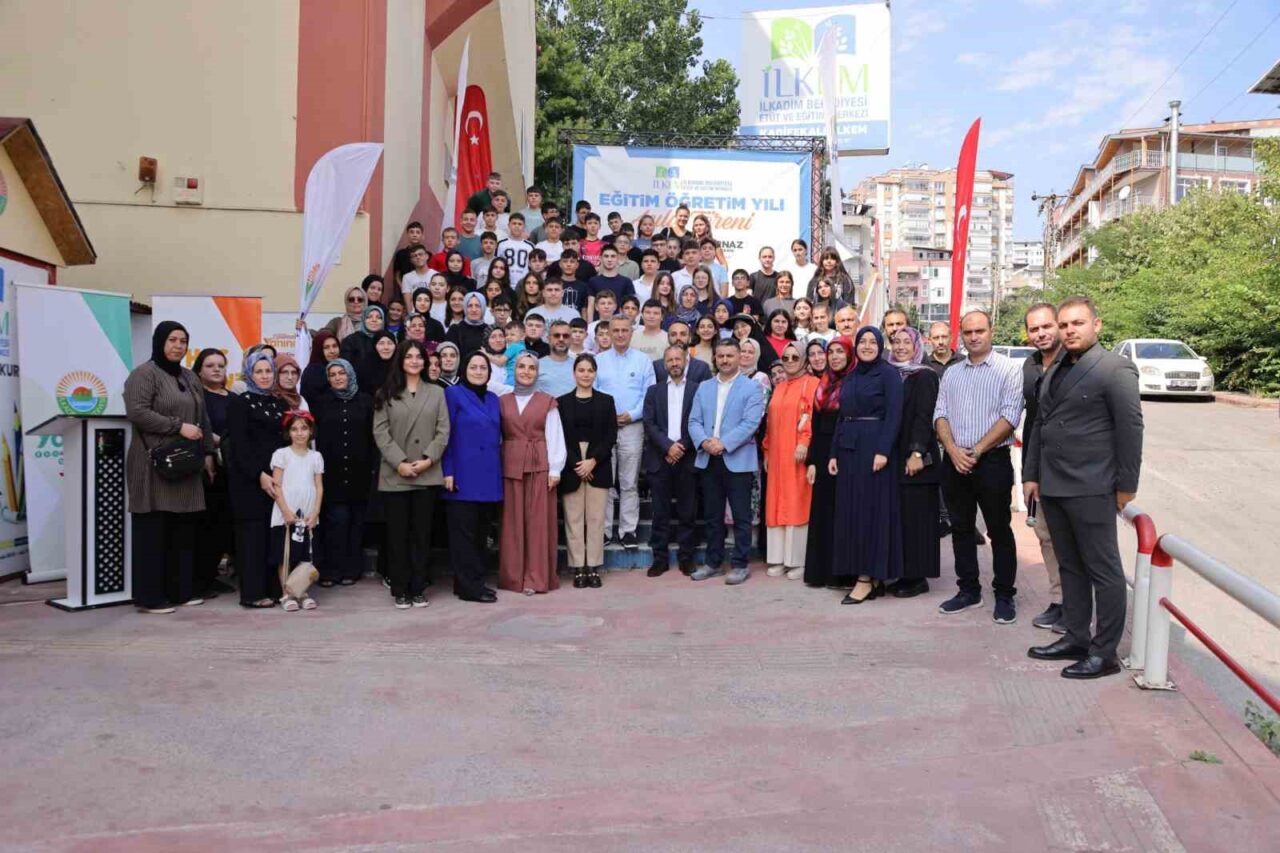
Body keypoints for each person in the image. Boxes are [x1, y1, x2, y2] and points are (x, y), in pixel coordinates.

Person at [1025, 296, 1143, 679]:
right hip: (1054, 485)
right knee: (1071, 567)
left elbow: (1130, 430)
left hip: (1092, 485)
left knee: (1103, 571)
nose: (1069, 330)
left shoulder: (1114, 368)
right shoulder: (1056, 366)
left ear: (1098, 325)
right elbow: (1040, 424)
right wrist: (1032, 474)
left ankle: (1104, 651)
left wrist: (1126, 486)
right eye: (1064, 324)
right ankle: (1075, 636)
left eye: (1077, 323)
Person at [933, 309, 1025, 624]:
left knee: (999, 529)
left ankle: (1004, 594)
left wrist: (976, 450)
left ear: (991, 331)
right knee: (961, 528)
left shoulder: (1009, 370)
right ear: (962, 334)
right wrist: (953, 450)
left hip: (992, 461)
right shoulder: (952, 373)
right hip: (955, 462)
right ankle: (968, 590)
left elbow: (1010, 415)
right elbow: (940, 414)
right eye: (968, 332)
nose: (974, 337)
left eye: (980, 331)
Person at [124, 322, 214, 613]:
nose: (178, 345)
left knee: (182, 530)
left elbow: (203, 416)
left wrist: (209, 453)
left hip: (185, 463)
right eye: (172, 340)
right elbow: (137, 412)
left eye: (183, 341)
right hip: (153, 464)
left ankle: (180, 592)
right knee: (154, 530)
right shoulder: (144, 374)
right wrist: (178, 427)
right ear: (159, 342)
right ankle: (151, 598)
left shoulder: (189, 377)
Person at [373, 340, 451, 609]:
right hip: (396, 475)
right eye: (410, 357)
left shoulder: (437, 393)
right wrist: (401, 462)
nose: (415, 361)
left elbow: (443, 430)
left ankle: (418, 588)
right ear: (401, 361)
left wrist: (428, 460)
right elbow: (380, 433)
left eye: (419, 357)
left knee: (422, 536)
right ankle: (400, 589)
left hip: (426, 474)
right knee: (397, 537)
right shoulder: (386, 393)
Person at [828, 328, 904, 604]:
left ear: (881, 346)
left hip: (874, 452)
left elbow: (895, 415)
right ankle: (867, 576)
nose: (868, 346)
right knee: (852, 513)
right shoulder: (851, 375)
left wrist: (883, 450)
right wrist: (834, 453)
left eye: (873, 342)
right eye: (863, 342)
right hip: (849, 451)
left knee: (870, 514)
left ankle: (866, 578)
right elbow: (842, 416)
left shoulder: (888, 374)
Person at [688, 338, 766, 585]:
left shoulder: (752, 388)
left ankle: (740, 564)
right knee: (712, 515)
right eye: (720, 356)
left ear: (739, 357)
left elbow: (751, 423)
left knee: (742, 516)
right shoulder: (704, 387)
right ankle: (713, 562)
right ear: (715, 358)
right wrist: (705, 442)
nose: (724, 360)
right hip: (709, 458)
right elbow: (694, 421)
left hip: (737, 459)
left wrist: (724, 443)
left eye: (730, 356)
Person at [498, 353, 566, 595]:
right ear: (513, 370)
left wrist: (555, 468)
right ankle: (513, 577)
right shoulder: (502, 401)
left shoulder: (547, 401)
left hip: (540, 466)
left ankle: (535, 578)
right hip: (511, 465)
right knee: (512, 524)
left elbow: (555, 435)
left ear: (537, 373)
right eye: (521, 367)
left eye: (531, 368)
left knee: (538, 524)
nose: (526, 372)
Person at [226, 351, 288, 608]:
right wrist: (259, 475)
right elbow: (239, 445)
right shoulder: (240, 402)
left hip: (277, 481)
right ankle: (252, 593)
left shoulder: (280, 404)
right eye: (259, 371)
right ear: (249, 374)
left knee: (272, 535)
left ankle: (274, 589)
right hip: (250, 481)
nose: (264, 376)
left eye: (268, 371)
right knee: (252, 538)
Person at [442, 352, 503, 603]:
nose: (478, 371)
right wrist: (448, 470)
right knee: (463, 537)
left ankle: (470, 582)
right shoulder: (453, 394)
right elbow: (445, 433)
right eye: (473, 367)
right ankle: (470, 588)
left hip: (488, 475)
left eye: (483, 367)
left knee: (480, 535)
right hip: (462, 475)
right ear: (464, 369)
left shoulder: (493, 399)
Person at [1020, 303, 1066, 632]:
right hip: (1038, 467)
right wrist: (1029, 474)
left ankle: (1078, 605)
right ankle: (1059, 600)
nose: (1041, 334)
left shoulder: (1075, 363)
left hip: (1072, 471)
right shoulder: (1030, 365)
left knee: (1073, 541)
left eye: (1046, 326)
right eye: (1034, 329)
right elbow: (1032, 422)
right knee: (1046, 536)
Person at [887, 327, 941, 598]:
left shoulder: (924, 375)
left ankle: (917, 577)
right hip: (895, 456)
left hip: (917, 459)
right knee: (901, 517)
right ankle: (903, 571)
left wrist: (917, 452)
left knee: (916, 519)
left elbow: (924, 416)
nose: (900, 346)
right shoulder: (891, 373)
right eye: (896, 341)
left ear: (917, 345)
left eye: (906, 342)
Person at [311, 358, 373, 587]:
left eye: (342, 373)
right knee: (335, 522)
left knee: (356, 523)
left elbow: (372, 436)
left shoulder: (365, 401)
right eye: (333, 374)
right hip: (332, 473)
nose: (337, 377)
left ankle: (351, 569)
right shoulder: (321, 402)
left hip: (360, 472)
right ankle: (330, 569)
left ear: (350, 374)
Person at [594, 315, 655, 549]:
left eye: (624, 330)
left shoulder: (643, 361)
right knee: (605, 482)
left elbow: (648, 395)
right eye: (615, 330)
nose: (620, 334)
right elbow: (594, 390)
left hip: (632, 426)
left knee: (629, 482)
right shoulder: (598, 360)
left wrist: (632, 414)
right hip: (605, 428)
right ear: (608, 333)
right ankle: (605, 530)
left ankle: (628, 530)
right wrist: (608, 416)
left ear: (632, 333)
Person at [558, 354, 617, 588]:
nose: (585, 374)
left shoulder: (606, 400)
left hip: (598, 463)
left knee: (595, 519)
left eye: (590, 370)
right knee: (573, 518)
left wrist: (592, 461)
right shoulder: (560, 402)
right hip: (571, 463)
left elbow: (611, 434)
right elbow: (558, 436)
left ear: (595, 373)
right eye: (581, 370)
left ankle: (593, 567)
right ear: (574, 373)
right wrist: (578, 464)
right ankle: (578, 567)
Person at [643, 345, 701, 577]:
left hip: (687, 458)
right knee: (660, 513)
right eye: (670, 360)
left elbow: (700, 422)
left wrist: (682, 446)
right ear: (664, 364)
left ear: (686, 361)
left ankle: (687, 558)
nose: (675, 363)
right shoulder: (654, 391)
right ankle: (660, 560)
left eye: (679, 359)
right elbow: (649, 424)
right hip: (660, 458)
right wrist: (668, 446)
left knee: (688, 512)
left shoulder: (697, 390)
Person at [762, 341, 819, 580]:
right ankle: (777, 559)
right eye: (785, 358)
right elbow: (770, 424)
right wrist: (766, 450)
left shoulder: (813, 384)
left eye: (795, 358)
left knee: (796, 503)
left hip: (798, 456)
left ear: (805, 360)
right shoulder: (779, 387)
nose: (789, 362)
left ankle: (796, 561)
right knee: (775, 505)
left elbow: (811, 418)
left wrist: (804, 444)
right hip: (776, 456)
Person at [804, 336, 853, 589]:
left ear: (849, 355)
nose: (834, 356)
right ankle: (819, 573)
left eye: (839, 352)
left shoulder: (854, 382)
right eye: (830, 351)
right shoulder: (823, 383)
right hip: (822, 453)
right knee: (822, 511)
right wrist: (812, 460)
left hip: (845, 452)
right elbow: (814, 423)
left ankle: (842, 574)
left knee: (842, 511)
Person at [269, 411, 324, 612]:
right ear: (288, 432)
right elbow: (276, 485)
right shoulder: (281, 454)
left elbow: (319, 486)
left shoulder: (316, 456)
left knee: (305, 555)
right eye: (294, 429)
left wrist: (316, 511)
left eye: (304, 428)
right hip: (287, 514)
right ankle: (287, 593)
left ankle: (302, 592)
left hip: (307, 513)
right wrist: (285, 511)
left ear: (310, 431)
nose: (299, 433)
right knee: (285, 554)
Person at [192, 349, 235, 599]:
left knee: (222, 524)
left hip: (230, 467)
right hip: (208, 467)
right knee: (206, 523)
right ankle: (200, 578)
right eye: (210, 365)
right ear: (199, 370)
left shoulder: (232, 398)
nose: (216, 369)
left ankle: (212, 576)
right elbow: (200, 427)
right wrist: (215, 442)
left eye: (221, 365)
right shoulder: (198, 397)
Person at [445, 291, 490, 356]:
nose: (474, 309)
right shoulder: (455, 330)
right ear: (465, 308)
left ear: (483, 307)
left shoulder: (490, 330)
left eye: (477, 306)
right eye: (470, 306)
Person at [301, 331, 341, 402]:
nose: (332, 351)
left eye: (335, 346)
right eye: (326, 347)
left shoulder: (342, 367)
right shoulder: (313, 372)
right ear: (318, 350)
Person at [392, 222, 426, 287]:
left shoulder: (427, 255)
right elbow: (397, 275)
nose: (414, 235)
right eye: (412, 232)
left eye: (418, 232)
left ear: (422, 235)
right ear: (407, 234)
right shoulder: (401, 254)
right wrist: (403, 288)